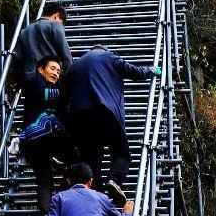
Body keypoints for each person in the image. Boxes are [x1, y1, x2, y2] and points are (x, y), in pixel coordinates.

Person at [61, 47, 157, 198]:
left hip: (78, 119)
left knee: (92, 159)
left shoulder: (74, 67)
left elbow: (62, 99)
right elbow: (134, 71)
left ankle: (96, 195)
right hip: (104, 112)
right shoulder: (109, 57)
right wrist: (153, 71)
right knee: (121, 152)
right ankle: (115, 180)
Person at [19, 56, 70, 216]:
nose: (56, 73)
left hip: (36, 140)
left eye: (58, 71)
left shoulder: (43, 84)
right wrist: (69, 90)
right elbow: (47, 95)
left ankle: (46, 213)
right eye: (52, 69)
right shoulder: (35, 81)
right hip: (40, 136)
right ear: (41, 69)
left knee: (44, 177)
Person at [13, 1, 70, 85]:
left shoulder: (25, 31)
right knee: (51, 97)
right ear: (56, 16)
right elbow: (66, 56)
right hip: (49, 78)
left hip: (30, 80)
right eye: (61, 22)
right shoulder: (55, 25)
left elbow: (18, 58)